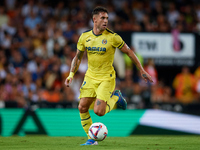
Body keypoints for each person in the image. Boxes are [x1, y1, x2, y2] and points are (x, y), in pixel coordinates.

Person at [65, 6, 153, 145]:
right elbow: (78, 57)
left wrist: (141, 70)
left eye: (107, 18)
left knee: (99, 112)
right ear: (94, 19)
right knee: (82, 107)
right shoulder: (85, 37)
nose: (106, 21)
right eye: (103, 18)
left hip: (106, 78)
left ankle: (116, 97)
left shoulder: (113, 37)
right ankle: (92, 139)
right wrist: (71, 74)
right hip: (90, 77)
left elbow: (129, 52)